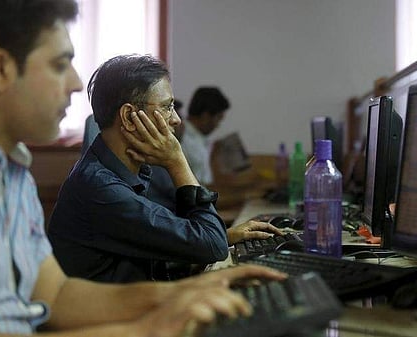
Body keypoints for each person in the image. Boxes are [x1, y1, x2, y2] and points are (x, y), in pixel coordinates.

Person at [0, 1, 288, 336]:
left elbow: (56, 295)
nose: (76, 83)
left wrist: (184, 293)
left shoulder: (14, 174)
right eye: (61, 65)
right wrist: (148, 328)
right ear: (1, 69)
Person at [48, 54, 284, 283]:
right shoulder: (100, 187)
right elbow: (212, 244)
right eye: (167, 107)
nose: (177, 120)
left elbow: (171, 235)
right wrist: (177, 160)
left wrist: (227, 236)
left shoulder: (138, 169)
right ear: (130, 117)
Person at [181, 86, 230, 185]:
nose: (217, 126)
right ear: (205, 116)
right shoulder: (185, 139)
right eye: (218, 119)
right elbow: (200, 188)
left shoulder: (201, 138)